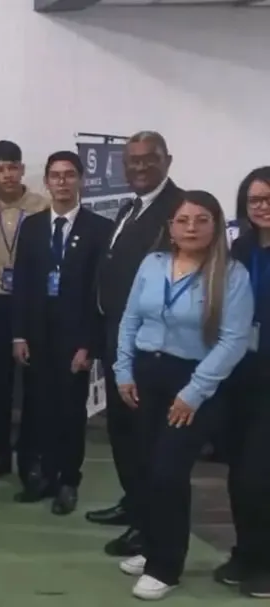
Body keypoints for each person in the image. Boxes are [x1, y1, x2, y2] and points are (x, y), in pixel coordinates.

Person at [113, 191, 252, 600]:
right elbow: (130, 319)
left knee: (168, 472)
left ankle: (166, 566)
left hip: (194, 382)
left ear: (216, 225)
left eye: (202, 220)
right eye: (183, 220)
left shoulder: (232, 275)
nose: (191, 227)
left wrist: (193, 392)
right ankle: (151, 544)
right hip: (146, 374)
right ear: (170, 228)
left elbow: (233, 341)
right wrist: (123, 370)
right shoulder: (152, 264)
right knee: (144, 466)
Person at [92, 131, 184, 558]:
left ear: (167, 160)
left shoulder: (178, 210)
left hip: (151, 344)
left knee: (145, 436)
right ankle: (134, 504)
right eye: (132, 160)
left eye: (150, 159)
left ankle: (149, 525)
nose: (140, 167)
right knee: (122, 430)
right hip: (118, 338)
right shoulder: (130, 207)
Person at [10, 151, 112, 515]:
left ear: (81, 180)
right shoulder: (33, 226)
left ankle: (69, 480)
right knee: (37, 408)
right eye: (55, 175)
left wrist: (88, 344)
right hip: (36, 335)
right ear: (46, 182)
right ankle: (42, 476)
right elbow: (21, 284)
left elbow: (99, 292)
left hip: (74, 338)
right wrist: (18, 335)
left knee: (70, 412)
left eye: (70, 175)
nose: (63, 181)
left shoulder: (99, 229)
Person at [0, 140, 48, 483]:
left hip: (34, 304)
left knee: (34, 382)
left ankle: (31, 454)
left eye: (12, 167)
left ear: (22, 169)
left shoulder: (42, 206)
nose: (7, 175)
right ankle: (0, 453)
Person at [216, 166, 270, 598]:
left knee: (258, 474)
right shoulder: (242, 248)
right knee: (238, 473)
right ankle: (246, 553)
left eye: (269, 199)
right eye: (255, 200)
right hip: (241, 374)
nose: (262, 207)